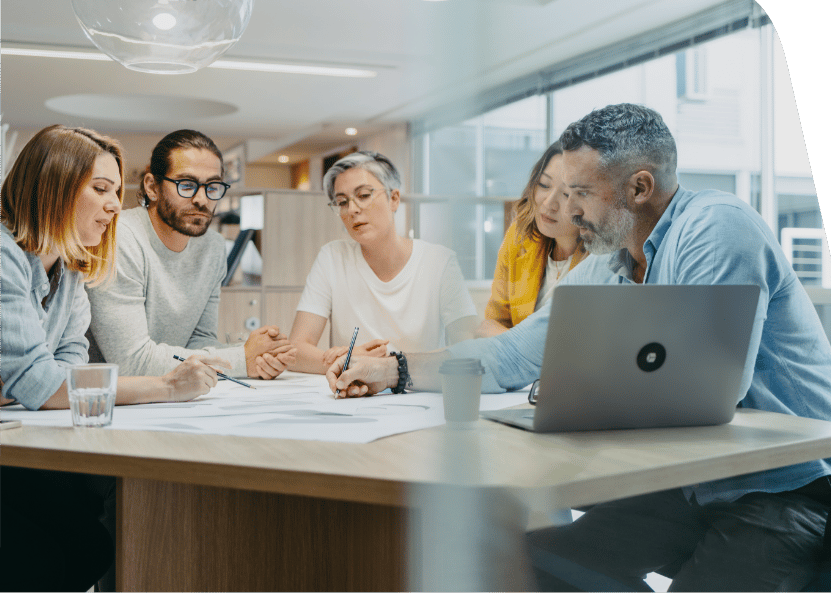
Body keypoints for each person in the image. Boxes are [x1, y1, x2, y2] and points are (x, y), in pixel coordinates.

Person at [326, 104, 831, 591]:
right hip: (698, 489)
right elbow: (512, 357)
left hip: (796, 490)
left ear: (639, 188)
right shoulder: (608, 266)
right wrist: (392, 369)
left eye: (582, 194)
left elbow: (707, 391)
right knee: (537, 558)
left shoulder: (716, 227)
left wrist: (578, 398)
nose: (568, 213)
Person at [0, 125, 231, 592]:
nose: (113, 205)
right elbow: (39, 382)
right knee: (56, 555)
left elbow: (66, 367)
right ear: (54, 184)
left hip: (24, 442)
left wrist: (33, 385)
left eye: (114, 190)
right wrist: (167, 388)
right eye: (100, 189)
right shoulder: (5, 255)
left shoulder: (71, 268)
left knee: (90, 547)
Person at [86, 129, 296, 381]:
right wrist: (242, 359)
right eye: (186, 185)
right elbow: (132, 361)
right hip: (111, 400)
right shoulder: (119, 239)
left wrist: (260, 358)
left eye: (213, 186)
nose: (202, 199)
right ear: (152, 187)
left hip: (173, 395)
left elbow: (199, 341)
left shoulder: (214, 248)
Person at [287, 151, 476, 375]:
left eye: (364, 195)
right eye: (342, 202)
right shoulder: (332, 257)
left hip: (419, 395)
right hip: (351, 396)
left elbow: (469, 350)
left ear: (393, 199)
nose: (352, 209)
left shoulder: (440, 262)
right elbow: (295, 350)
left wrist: (386, 367)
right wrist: (350, 361)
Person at [477, 141, 587, 338]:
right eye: (544, 185)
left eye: (566, 194)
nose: (549, 203)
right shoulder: (519, 238)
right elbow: (493, 322)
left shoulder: (602, 261)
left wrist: (510, 340)